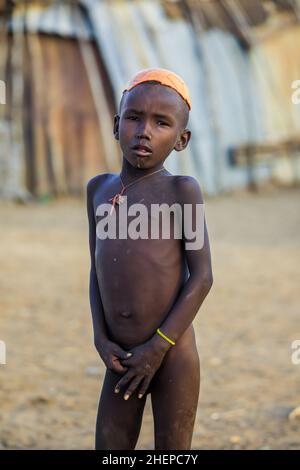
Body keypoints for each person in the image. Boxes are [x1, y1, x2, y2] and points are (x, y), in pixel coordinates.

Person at [86, 68, 213, 450]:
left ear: (181, 139)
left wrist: (157, 347)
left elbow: (203, 276)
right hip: (121, 359)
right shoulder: (97, 190)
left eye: (161, 123)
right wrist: (99, 337)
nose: (144, 131)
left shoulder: (181, 191)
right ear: (116, 125)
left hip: (171, 354)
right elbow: (96, 269)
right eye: (134, 117)